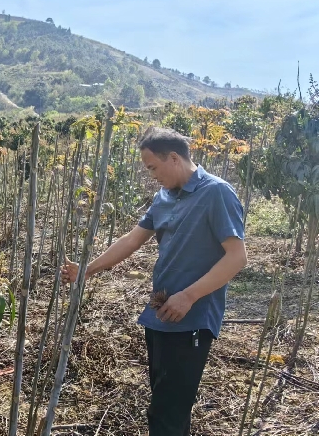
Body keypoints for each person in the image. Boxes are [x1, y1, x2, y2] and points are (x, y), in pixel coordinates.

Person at [62, 127, 247, 436]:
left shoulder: (217, 192)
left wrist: (189, 296)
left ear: (173, 158)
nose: (151, 176)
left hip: (192, 318)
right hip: (160, 314)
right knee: (166, 405)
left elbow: (237, 257)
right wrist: (86, 270)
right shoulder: (164, 197)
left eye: (153, 168)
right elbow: (132, 240)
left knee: (167, 410)